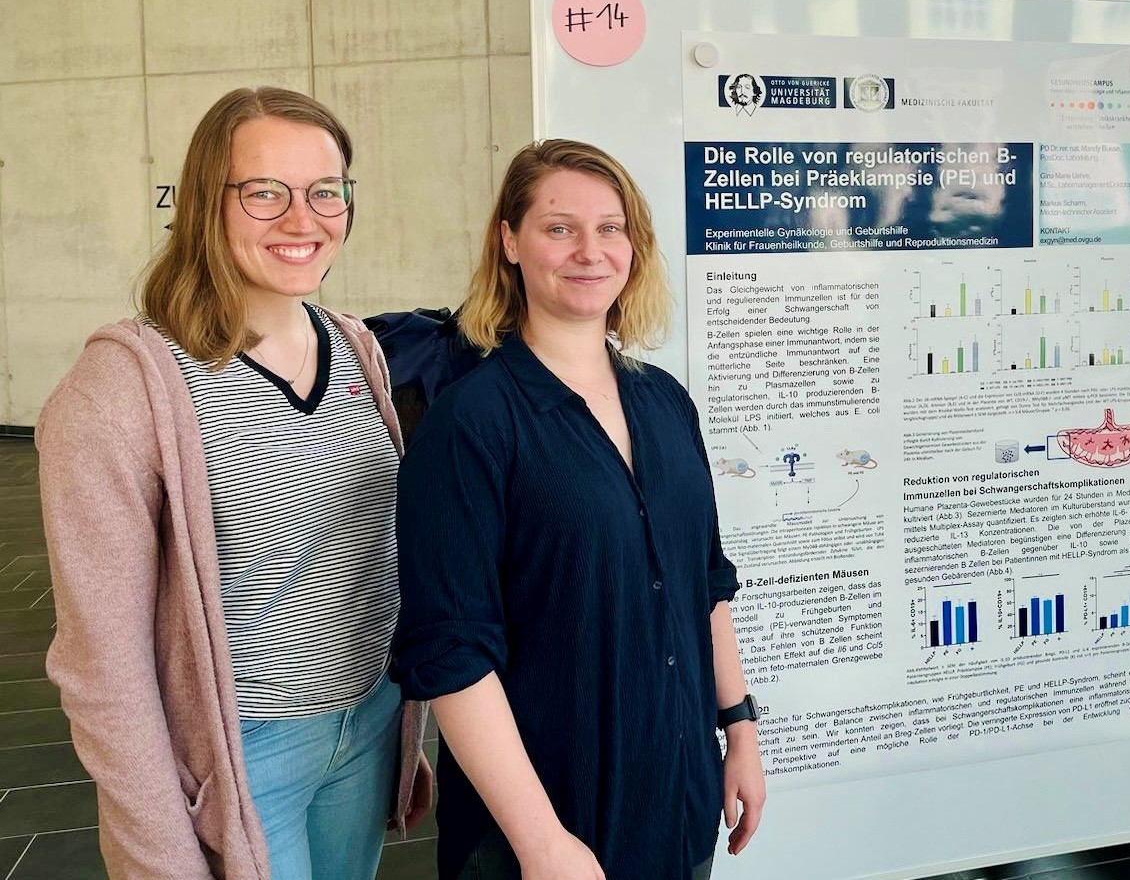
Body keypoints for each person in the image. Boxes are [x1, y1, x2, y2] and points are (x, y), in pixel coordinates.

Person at [37, 87, 432, 879]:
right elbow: (100, 664)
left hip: (367, 723)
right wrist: (159, 853)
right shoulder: (124, 385)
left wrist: (404, 734)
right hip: (242, 756)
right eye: (265, 192)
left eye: (325, 191)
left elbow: (365, 560)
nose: (302, 218)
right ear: (204, 203)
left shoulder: (356, 347)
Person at [393, 139, 766, 880]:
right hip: (543, 833)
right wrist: (541, 844)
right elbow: (450, 654)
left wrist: (740, 730)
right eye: (559, 228)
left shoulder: (666, 402)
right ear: (510, 241)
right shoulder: (470, 423)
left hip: (678, 804)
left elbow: (704, 582)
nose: (589, 251)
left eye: (610, 228)